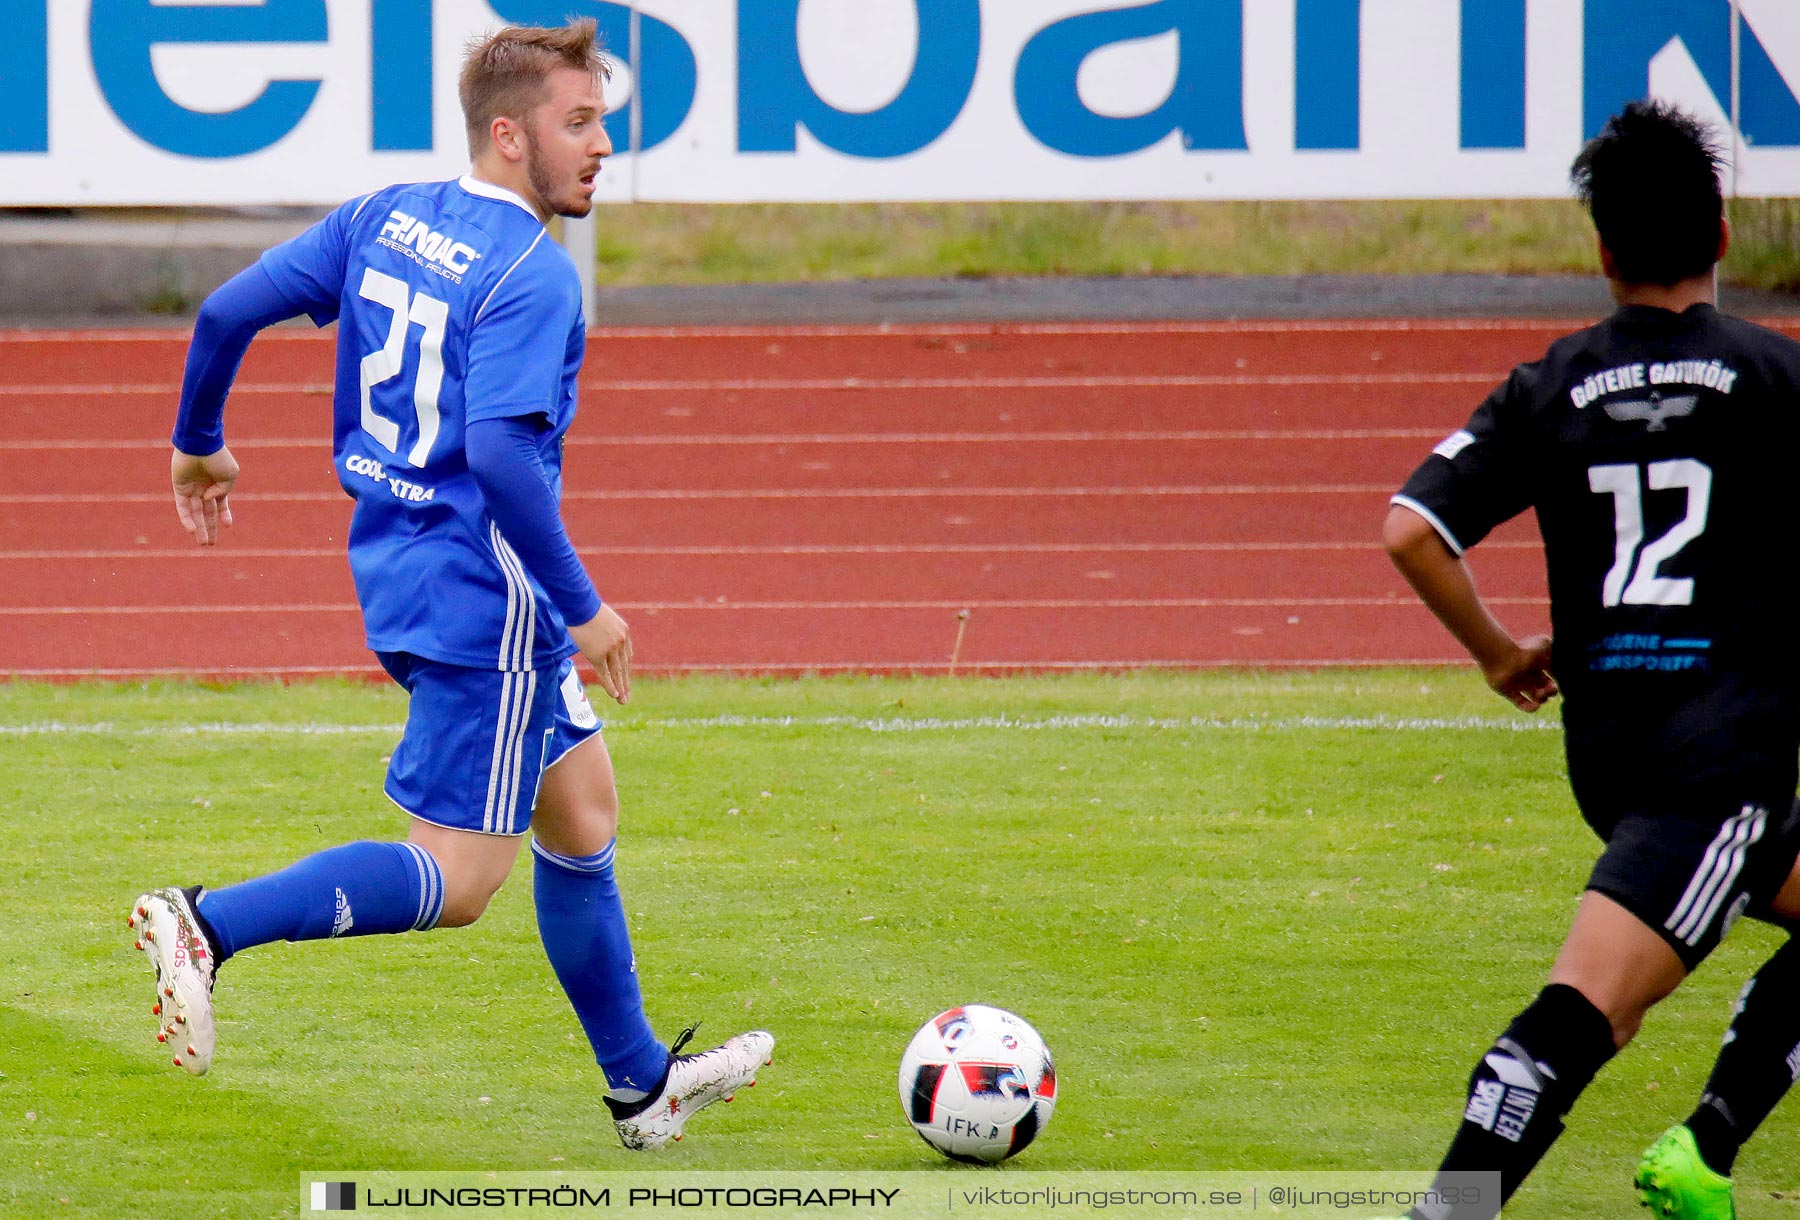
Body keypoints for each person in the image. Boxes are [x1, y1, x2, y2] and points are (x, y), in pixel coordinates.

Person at [128, 19, 772, 1151]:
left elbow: (226, 311)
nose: (603, 145)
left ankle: (640, 1086)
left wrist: (198, 441)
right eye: (580, 122)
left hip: (399, 567)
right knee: (460, 877)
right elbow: (501, 457)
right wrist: (584, 605)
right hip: (492, 600)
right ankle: (207, 924)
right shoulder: (535, 276)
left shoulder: (387, 215)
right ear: (510, 133)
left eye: (603, 120)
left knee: (582, 811)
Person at [1377, 100, 1800, 1220]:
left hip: (1610, 748)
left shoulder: (1550, 384)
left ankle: (1704, 1148)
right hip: (1719, 765)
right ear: (1721, 235)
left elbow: (1414, 527)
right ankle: (1453, 1207)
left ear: (1603, 250)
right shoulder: (1773, 375)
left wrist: (1497, 653)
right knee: (1585, 1013)